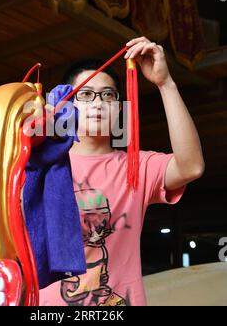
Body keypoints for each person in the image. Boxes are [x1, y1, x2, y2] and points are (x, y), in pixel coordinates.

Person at [39, 37, 205, 306]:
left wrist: (166, 83)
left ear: (119, 108)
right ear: (67, 105)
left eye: (108, 95)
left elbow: (192, 166)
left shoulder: (135, 167)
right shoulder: (41, 167)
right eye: (85, 94)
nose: (97, 103)